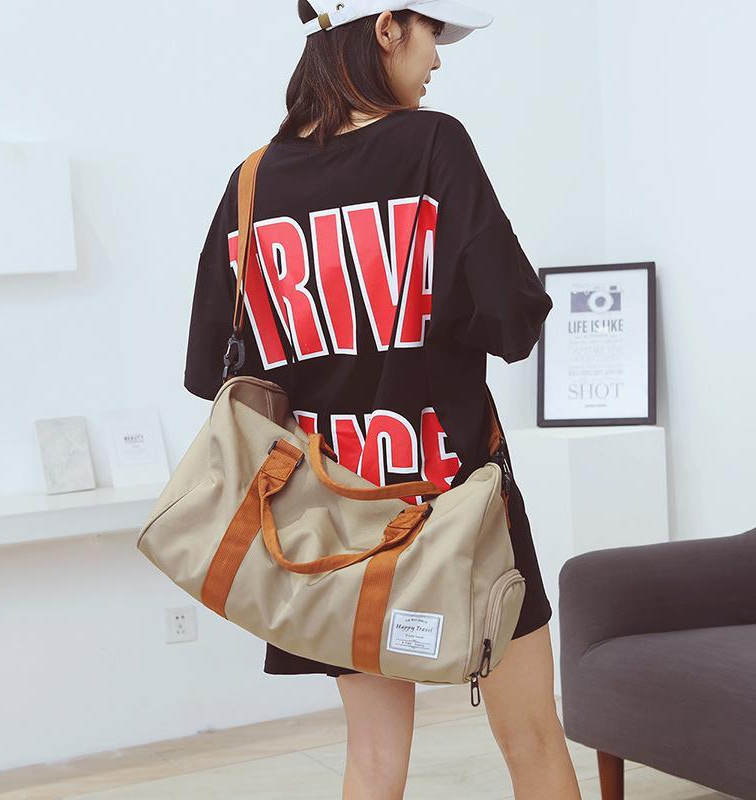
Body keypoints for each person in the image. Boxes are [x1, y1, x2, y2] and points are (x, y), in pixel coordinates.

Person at [183, 2, 582, 797]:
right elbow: (510, 321)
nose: (438, 59)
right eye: (433, 33)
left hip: (328, 520)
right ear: (386, 28)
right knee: (532, 738)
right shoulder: (434, 144)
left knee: (372, 757)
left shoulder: (252, 182)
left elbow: (211, 370)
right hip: (458, 501)